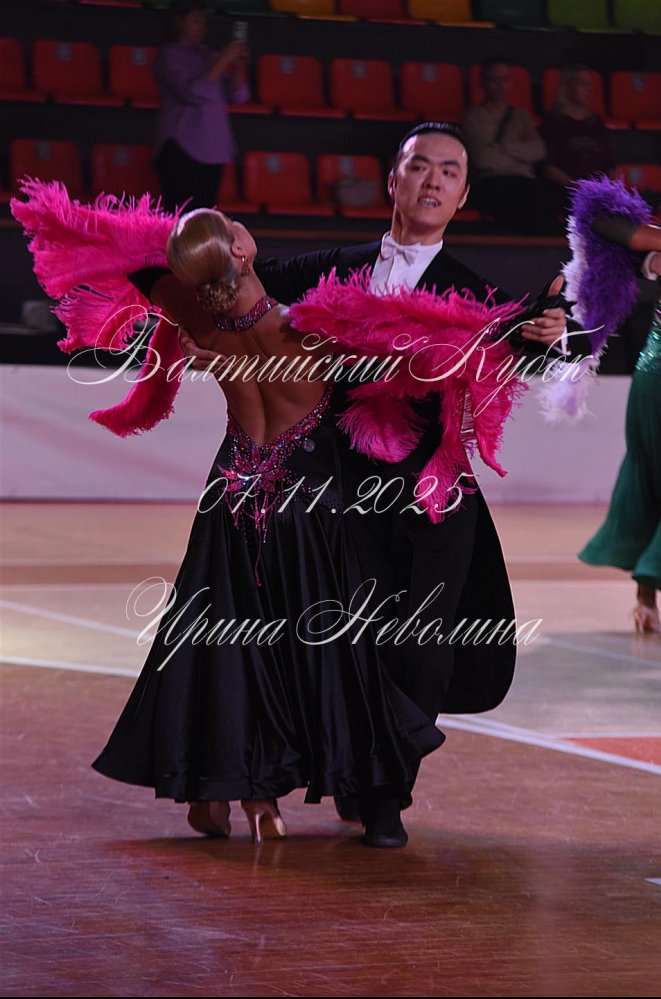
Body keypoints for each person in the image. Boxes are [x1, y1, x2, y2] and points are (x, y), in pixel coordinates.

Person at [180, 121, 589, 829]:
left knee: (421, 651)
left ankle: (384, 797)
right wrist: (205, 258)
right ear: (393, 180)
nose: (433, 180)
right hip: (335, 497)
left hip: (430, 501)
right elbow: (232, 285)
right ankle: (349, 779)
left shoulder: (472, 292)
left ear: (463, 196)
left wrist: (554, 334)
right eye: (420, 165)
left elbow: (524, 343)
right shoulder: (329, 268)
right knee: (341, 646)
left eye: (450, 172)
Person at [577, 218, 661, 632]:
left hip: (653, 376)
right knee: (649, 476)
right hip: (657, 378)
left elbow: (600, 221)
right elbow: (597, 219)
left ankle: (646, 599)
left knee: (649, 478)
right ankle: (646, 592)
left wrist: (652, 256)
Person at [153, 0, 249, 212]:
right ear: (179, 21)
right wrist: (223, 60)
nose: (202, 27)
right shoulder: (169, 55)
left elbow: (237, 95)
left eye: (204, 21)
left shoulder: (208, 55)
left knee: (205, 216)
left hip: (213, 147)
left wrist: (238, 67)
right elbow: (194, 92)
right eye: (196, 20)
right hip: (181, 148)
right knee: (179, 215)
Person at [461, 59, 562, 234]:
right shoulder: (473, 118)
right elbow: (482, 159)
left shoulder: (521, 116)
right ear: (483, 83)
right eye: (494, 80)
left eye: (505, 80)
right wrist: (521, 157)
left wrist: (502, 147)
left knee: (548, 198)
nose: (500, 86)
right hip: (491, 181)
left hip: (525, 181)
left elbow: (538, 150)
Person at [541, 65, 615, 202]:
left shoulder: (596, 122)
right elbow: (549, 168)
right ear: (567, 86)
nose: (588, 89)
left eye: (589, 84)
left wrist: (605, 189)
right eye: (582, 83)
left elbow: (609, 164)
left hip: (598, 195)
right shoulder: (553, 122)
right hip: (564, 194)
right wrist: (577, 187)